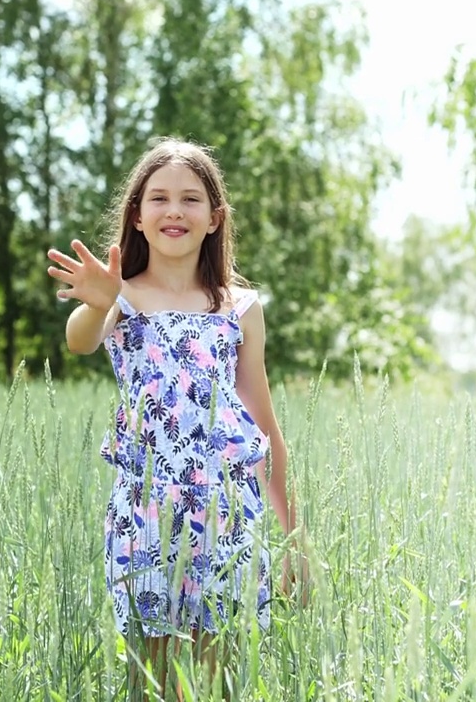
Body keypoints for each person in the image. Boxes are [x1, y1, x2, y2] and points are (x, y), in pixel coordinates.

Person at [46, 137, 304, 699]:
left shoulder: (239, 307)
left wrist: (296, 538)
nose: (174, 211)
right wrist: (97, 301)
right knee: (155, 684)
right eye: (159, 198)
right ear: (137, 216)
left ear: (215, 219)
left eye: (190, 200)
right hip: (146, 515)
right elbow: (79, 343)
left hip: (229, 516)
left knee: (219, 682)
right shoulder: (121, 297)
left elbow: (264, 429)